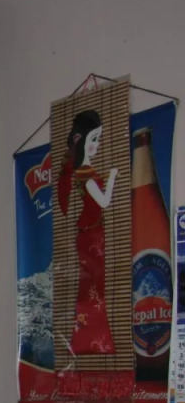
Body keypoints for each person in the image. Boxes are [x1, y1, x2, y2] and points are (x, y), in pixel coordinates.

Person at [56, 109, 119, 355]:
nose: (97, 144)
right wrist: (112, 177)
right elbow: (104, 202)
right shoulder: (85, 175)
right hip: (91, 235)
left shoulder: (85, 172)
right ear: (80, 140)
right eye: (94, 139)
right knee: (93, 288)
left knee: (93, 287)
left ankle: (90, 340)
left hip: (92, 232)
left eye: (99, 139)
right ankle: (92, 341)